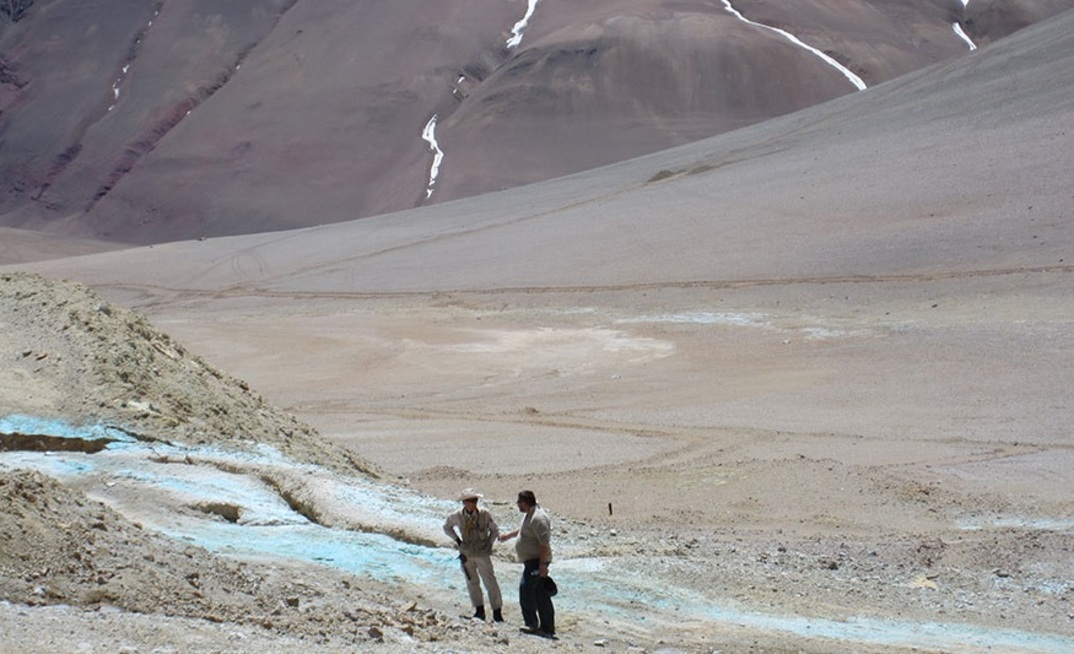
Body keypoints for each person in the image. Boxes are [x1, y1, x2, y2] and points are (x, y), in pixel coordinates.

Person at [498, 489, 555, 639]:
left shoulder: (539, 518)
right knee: (540, 594)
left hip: (536, 561)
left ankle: (531, 623)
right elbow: (525, 530)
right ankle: (547, 628)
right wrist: (509, 535)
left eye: (519, 502)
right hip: (532, 561)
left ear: (524, 502)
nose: (517, 505)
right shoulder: (530, 515)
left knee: (526, 590)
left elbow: (544, 544)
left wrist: (542, 565)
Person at [443, 488, 504, 622]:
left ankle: (497, 612)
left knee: (490, 582)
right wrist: (458, 541)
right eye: (471, 500)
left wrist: (489, 544)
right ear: (464, 502)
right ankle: (479, 610)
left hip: (482, 553)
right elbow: (447, 527)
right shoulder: (457, 515)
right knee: (472, 582)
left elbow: (494, 530)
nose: (473, 503)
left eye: (475, 500)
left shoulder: (484, 514)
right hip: (466, 553)